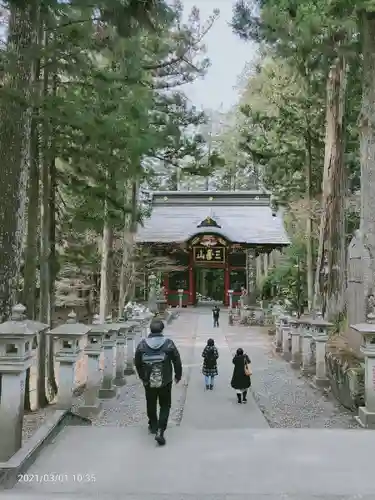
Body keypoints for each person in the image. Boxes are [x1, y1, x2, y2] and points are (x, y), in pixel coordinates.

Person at [134, 319, 182, 446]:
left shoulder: (142, 344)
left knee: (151, 403)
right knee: (165, 404)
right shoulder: (168, 344)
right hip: (165, 379)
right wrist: (178, 375)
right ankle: (161, 430)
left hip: (148, 380)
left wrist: (142, 377)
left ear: (150, 329)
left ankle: (153, 425)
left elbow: (137, 362)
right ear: (162, 329)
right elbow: (177, 360)